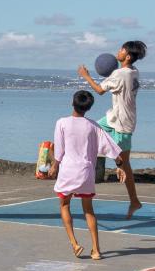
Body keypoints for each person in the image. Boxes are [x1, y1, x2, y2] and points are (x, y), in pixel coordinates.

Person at [48, 90, 122, 260]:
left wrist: (54, 165)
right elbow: (109, 146)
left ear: (72, 103)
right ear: (88, 108)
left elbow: (59, 150)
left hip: (68, 171)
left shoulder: (62, 123)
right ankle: (96, 250)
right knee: (88, 210)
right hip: (86, 171)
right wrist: (120, 164)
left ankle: (75, 244)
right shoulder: (93, 126)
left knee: (65, 205)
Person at [78, 40, 147, 219]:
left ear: (128, 56)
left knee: (126, 165)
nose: (119, 51)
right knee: (89, 129)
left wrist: (85, 76)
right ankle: (105, 162)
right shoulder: (134, 72)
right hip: (113, 117)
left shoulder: (121, 73)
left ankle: (134, 200)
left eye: (122, 50)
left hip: (122, 123)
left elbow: (99, 90)